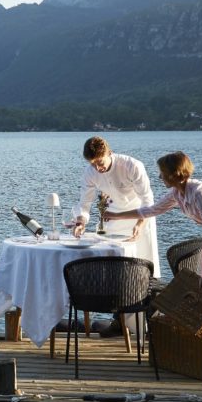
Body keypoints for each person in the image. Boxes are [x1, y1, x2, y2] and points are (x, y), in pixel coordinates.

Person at [114, 151, 202, 325]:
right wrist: (115, 215)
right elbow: (151, 210)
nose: (160, 176)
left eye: (163, 173)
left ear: (174, 174)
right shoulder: (177, 193)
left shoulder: (200, 192)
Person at [71, 136, 161, 336]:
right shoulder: (90, 173)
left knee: (142, 273)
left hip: (140, 219)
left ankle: (148, 326)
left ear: (108, 153)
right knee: (116, 272)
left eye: (100, 162)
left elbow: (148, 200)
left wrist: (139, 223)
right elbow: (84, 204)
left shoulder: (131, 165)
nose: (97, 168)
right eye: (92, 163)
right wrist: (80, 222)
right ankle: (119, 322)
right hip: (114, 221)